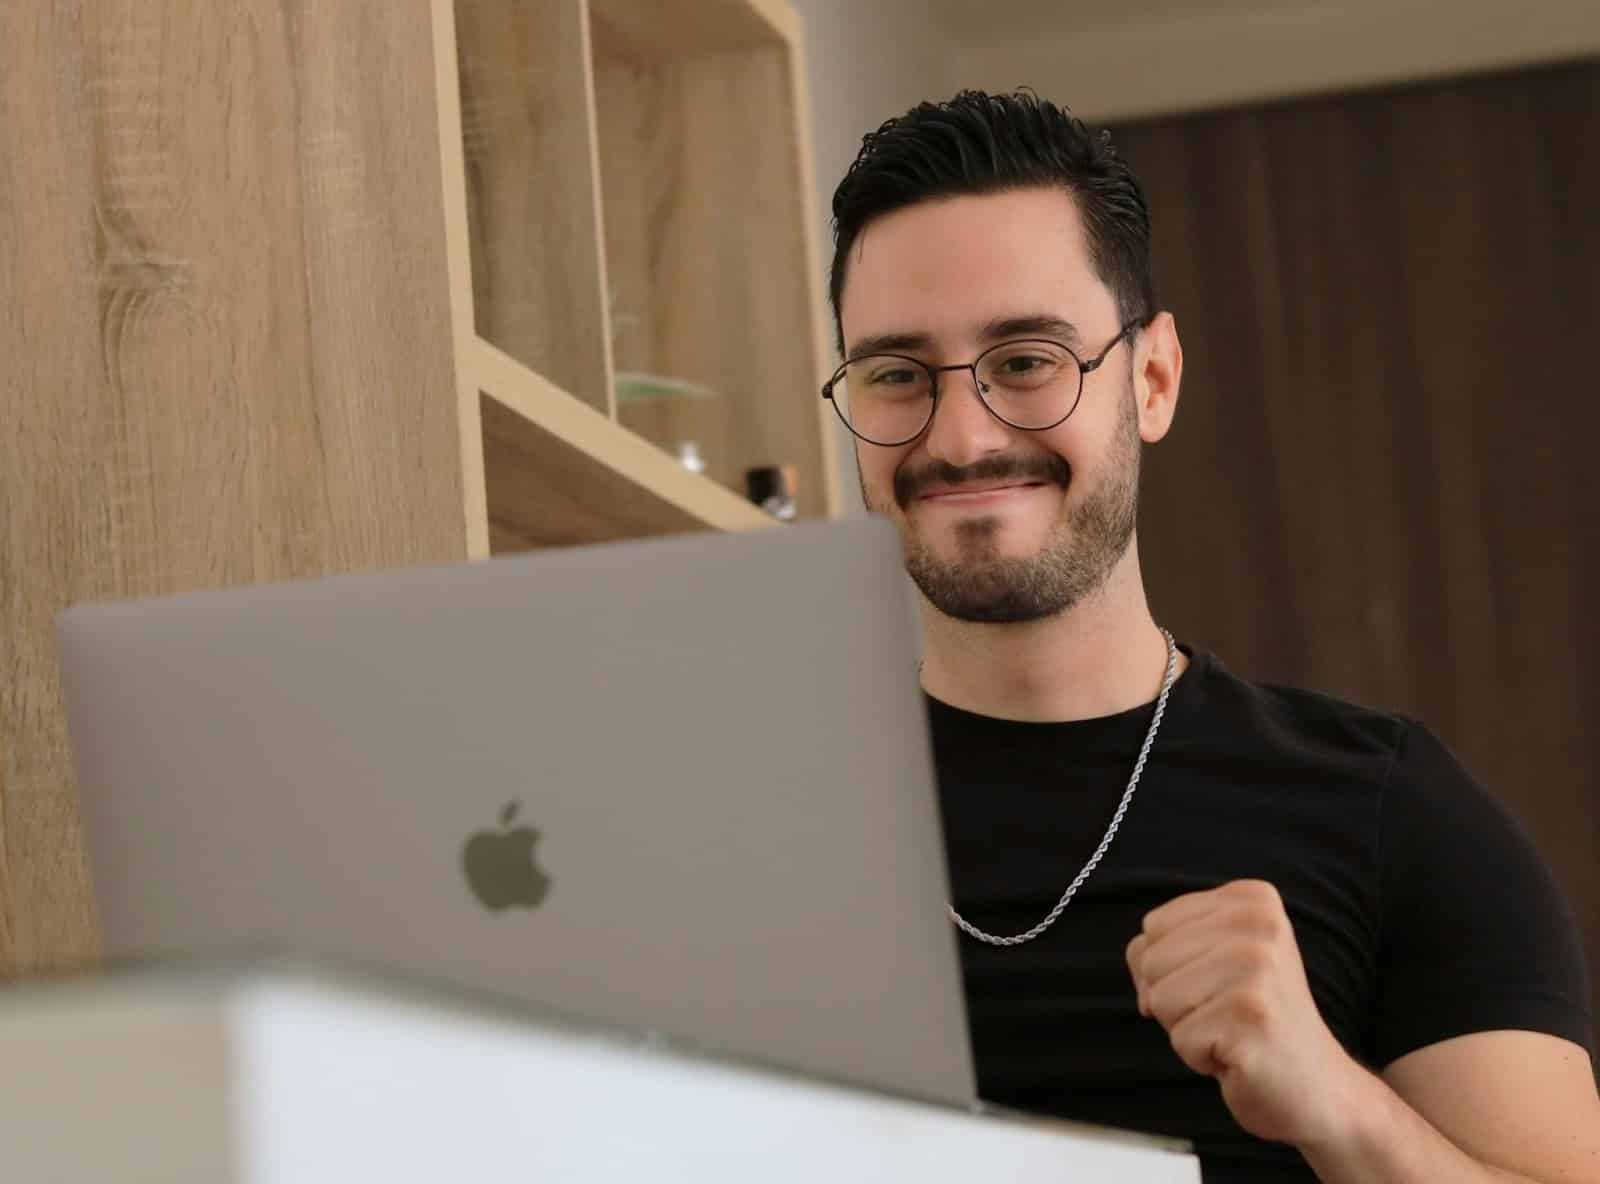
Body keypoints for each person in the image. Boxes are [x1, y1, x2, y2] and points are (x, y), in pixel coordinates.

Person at [822, 89, 1598, 1182]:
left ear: (1150, 377)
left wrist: (1337, 1102)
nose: (961, 435)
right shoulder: (759, 828)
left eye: (1027, 359)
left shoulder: (1388, 807)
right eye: (896, 376)